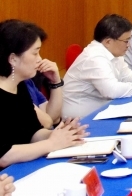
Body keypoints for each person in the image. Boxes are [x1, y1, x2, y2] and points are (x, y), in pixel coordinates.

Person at [0, 20, 88, 168]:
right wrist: (51, 143)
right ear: (13, 59)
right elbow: (4, 156)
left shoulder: (20, 86)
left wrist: (63, 134)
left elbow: (33, 132)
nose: (40, 59)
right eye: (35, 53)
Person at [62, 15, 132, 120]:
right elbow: (111, 91)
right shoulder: (94, 57)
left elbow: (125, 76)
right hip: (80, 118)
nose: (129, 45)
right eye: (126, 41)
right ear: (108, 42)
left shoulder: (113, 52)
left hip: (100, 108)